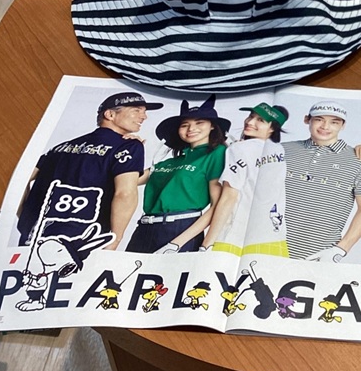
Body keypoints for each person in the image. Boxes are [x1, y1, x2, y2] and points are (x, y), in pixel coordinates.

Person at [16, 91, 164, 251]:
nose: (144, 117)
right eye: (136, 110)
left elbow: (18, 181)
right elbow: (125, 193)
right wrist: (114, 240)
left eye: (144, 112)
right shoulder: (128, 146)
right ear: (110, 114)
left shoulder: (60, 148)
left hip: (33, 238)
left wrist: (25, 218)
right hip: (82, 242)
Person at [125, 96, 229, 254]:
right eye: (185, 125)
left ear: (212, 126)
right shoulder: (169, 163)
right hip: (144, 229)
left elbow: (217, 206)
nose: (191, 129)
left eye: (199, 123)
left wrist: (177, 243)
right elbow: (128, 181)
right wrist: (129, 149)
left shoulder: (217, 154)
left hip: (181, 229)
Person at [283, 101, 361, 262]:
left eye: (334, 122)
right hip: (267, 245)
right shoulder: (283, 149)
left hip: (318, 254)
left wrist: (341, 249)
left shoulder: (360, 159)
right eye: (319, 119)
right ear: (307, 120)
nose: (325, 126)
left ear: (342, 126)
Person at [200, 102, 290, 258]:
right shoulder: (279, 150)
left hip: (236, 236)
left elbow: (229, 197)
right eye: (251, 116)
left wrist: (207, 244)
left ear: (272, 128)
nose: (250, 122)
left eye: (260, 120)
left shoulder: (239, 149)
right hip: (274, 236)